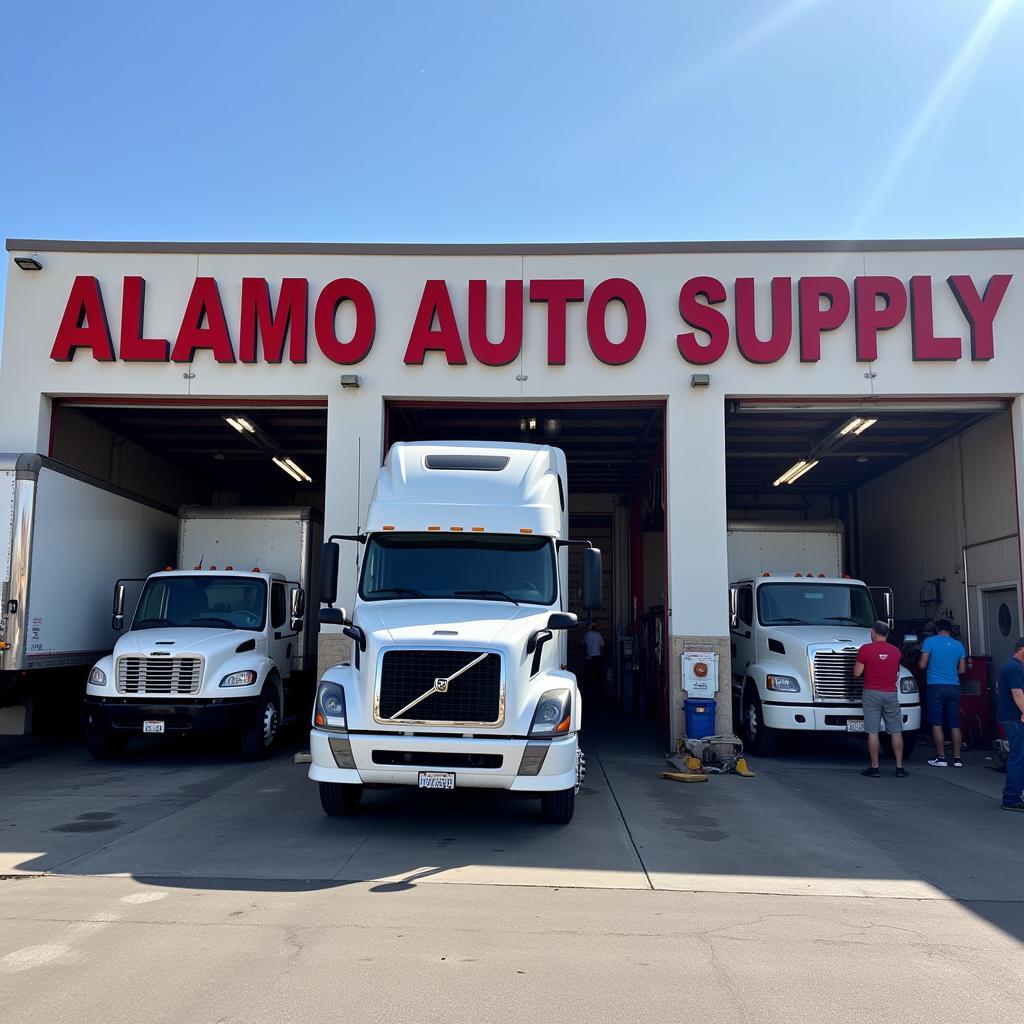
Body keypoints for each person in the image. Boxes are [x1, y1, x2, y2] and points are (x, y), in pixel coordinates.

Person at [853, 620, 907, 777]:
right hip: (890, 693)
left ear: (873, 632)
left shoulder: (865, 649)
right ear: (887, 634)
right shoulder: (896, 651)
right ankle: (899, 767)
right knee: (896, 731)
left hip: (871, 693)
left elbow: (857, 673)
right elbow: (896, 674)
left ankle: (875, 767)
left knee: (873, 731)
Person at [919, 619, 966, 767]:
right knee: (955, 724)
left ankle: (941, 758)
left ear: (937, 629)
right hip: (953, 686)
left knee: (937, 723)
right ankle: (957, 759)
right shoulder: (959, 645)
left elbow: (922, 665)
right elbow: (963, 670)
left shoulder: (929, 642)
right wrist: (951, 671)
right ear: (950, 630)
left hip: (935, 686)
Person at [996, 638, 1024, 812]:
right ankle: (1011, 798)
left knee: (1019, 756)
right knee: (1018, 757)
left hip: (1012, 717)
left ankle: (1014, 795)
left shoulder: (1013, 667)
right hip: (1015, 719)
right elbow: (1017, 694)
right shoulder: (1014, 668)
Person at [583, 621, 605, 696]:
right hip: (597, 657)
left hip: (589, 657)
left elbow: (584, 643)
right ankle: (597, 692)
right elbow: (602, 646)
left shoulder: (587, 635)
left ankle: (589, 692)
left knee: (589, 675)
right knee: (597, 675)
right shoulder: (599, 635)